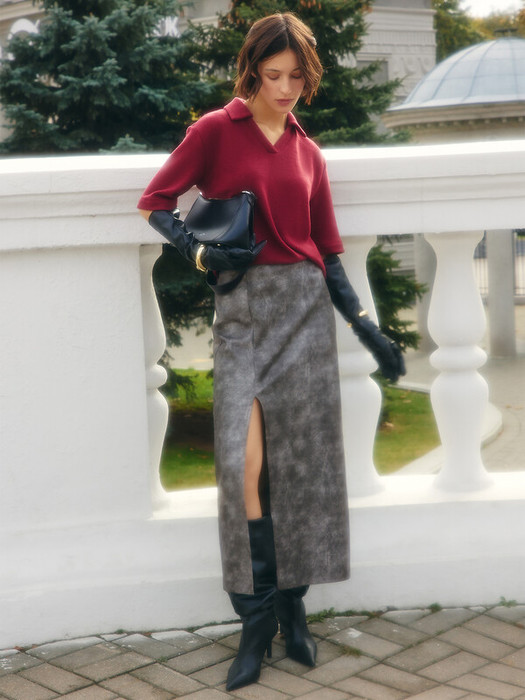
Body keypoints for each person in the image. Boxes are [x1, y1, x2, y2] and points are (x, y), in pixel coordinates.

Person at [138, 12, 404, 691]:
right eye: (274, 75)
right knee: (243, 465)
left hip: (306, 312)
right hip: (244, 316)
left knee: (302, 469)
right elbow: (155, 201)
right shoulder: (214, 130)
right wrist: (198, 251)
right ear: (252, 70)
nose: (285, 90)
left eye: (296, 78)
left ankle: (292, 610)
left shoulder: (307, 151)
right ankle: (254, 620)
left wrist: (366, 326)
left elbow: (328, 252)